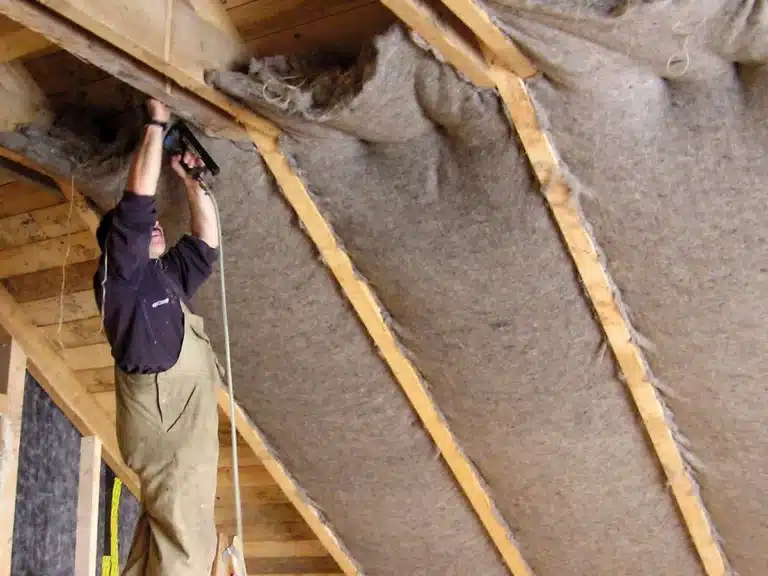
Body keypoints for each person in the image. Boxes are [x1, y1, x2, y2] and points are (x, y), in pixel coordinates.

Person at [93, 98, 224, 575]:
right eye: (140, 227)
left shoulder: (164, 277)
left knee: (167, 544)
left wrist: (191, 182)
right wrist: (155, 124)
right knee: (187, 551)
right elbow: (134, 208)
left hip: (177, 435)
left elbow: (205, 247)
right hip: (168, 438)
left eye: (154, 225)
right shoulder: (124, 283)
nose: (152, 225)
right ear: (119, 248)